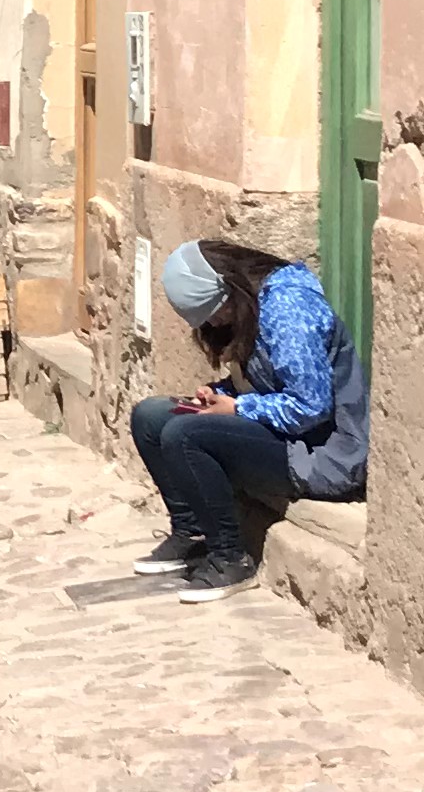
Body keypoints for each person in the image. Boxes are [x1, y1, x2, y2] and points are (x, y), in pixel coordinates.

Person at [126, 237, 370, 599]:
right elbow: (265, 380)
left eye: (214, 311)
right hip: (280, 434)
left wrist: (238, 409)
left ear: (230, 288)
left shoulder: (289, 308)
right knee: (151, 416)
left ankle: (230, 558)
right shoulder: (254, 306)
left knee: (185, 434)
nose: (213, 322)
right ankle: (192, 532)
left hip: (322, 453)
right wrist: (220, 394)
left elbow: (311, 406)